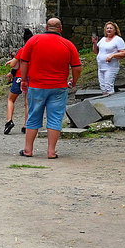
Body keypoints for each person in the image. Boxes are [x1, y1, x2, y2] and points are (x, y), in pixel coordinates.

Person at [16, 18, 82, 159]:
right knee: (55, 118)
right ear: (60, 28)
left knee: (33, 116)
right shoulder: (68, 44)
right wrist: (73, 81)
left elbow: (24, 61)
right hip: (58, 86)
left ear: (46, 27)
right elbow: (77, 67)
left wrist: (24, 79)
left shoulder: (33, 41)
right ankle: (51, 152)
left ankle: (28, 150)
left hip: (36, 86)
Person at [3, 28, 35, 134]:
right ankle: (26, 124)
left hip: (20, 77)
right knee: (27, 102)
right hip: (31, 77)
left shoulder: (23, 49)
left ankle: (9, 121)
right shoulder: (36, 50)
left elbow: (14, 65)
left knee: (11, 99)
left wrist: (13, 61)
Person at [92, 21, 125, 95]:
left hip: (111, 67)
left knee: (108, 86)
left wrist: (112, 56)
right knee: (103, 87)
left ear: (115, 30)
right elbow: (96, 51)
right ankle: (104, 103)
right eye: (107, 28)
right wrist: (94, 43)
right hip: (101, 67)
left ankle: (111, 103)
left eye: (111, 28)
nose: (109, 30)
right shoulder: (103, 39)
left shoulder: (118, 39)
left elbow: (124, 53)